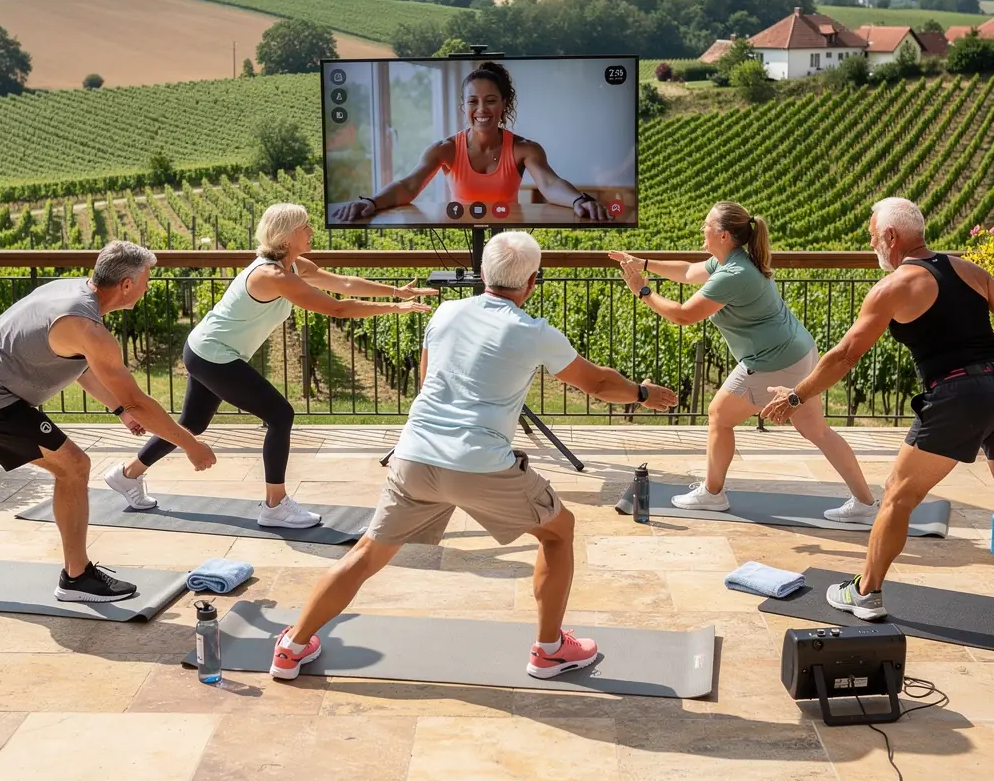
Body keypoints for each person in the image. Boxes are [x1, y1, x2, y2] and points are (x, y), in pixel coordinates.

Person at [269, 231, 678, 680]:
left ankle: (291, 646)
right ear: (533, 282)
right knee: (559, 532)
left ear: (482, 274)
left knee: (366, 554)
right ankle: (549, 650)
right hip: (480, 463)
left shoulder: (444, 313)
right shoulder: (535, 332)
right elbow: (598, 384)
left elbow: (426, 382)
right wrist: (641, 392)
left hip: (414, 457)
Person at [106, 203, 434, 528]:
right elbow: (338, 309)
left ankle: (127, 475)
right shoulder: (272, 275)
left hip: (206, 348)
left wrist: (394, 290)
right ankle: (275, 505)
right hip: (214, 353)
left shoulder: (291, 265)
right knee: (280, 414)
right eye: (305, 227)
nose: (311, 232)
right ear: (288, 235)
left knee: (192, 424)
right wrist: (397, 308)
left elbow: (343, 283)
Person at [763, 197, 994, 620]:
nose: (873, 248)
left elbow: (845, 355)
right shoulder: (970, 271)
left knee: (898, 496)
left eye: (873, 239)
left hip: (956, 395)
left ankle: (865, 593)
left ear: (892, 236)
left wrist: (796, 396)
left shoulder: (894, 287)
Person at [0, 241, 217, 602]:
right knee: (73, 466)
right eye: (146, 279)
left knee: (70, 467)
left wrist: (119, 410)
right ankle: (76, 577)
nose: (149, 286)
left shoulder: (71, 294)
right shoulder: (89, 328)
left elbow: (79, 367)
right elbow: (138, 399)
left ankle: (76, 575)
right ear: (127, 285)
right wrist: (189, 443)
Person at [610, 200, 878, 522]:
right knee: (817, 430)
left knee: (719, 415)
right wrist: (645, 262)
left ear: (723, 235)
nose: (702, 230)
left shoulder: (733, 274)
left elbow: (683, 316)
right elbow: (685, 271)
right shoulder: (730, 262)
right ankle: (865, 502)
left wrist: (643, 291)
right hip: (801, 352)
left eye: (707, 225)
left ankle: (712, 494)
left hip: (774, 361)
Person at [332, 60, 610, 222]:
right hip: (459, 237)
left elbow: (550, 184)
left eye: (490, 101)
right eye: (473, 101)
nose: (481, 110)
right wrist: (371, 201)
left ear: (504, 104)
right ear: (463, 105)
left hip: (508, 240)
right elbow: (408, 185)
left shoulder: (525, 148)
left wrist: (578, 200)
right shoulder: (445, 149)